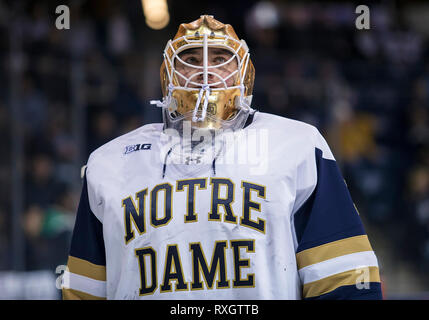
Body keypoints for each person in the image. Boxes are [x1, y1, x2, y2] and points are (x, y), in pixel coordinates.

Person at [62, 15, 382, 300]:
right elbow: (83, 291)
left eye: (220, 58)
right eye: (190, 58)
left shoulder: (299, 145)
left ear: (244, 73)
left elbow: (343, 280)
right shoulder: (109, 161)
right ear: (168, 75)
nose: (205, 71)